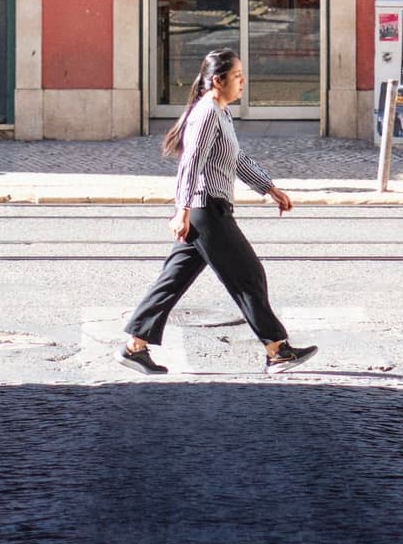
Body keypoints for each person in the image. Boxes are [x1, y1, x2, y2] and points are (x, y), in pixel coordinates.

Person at [121, 47, 315, 372]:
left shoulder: (221, 112)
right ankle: (277, 350)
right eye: (237, 76)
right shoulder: (207, 112)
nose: (243, 81)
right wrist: (181, 209)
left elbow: (236, 159)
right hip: (206, 210)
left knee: (172, 280)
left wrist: (269, 187)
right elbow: (191, 162)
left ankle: (134, 347)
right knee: (248, 275)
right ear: (217, 80)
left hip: (206, 209)